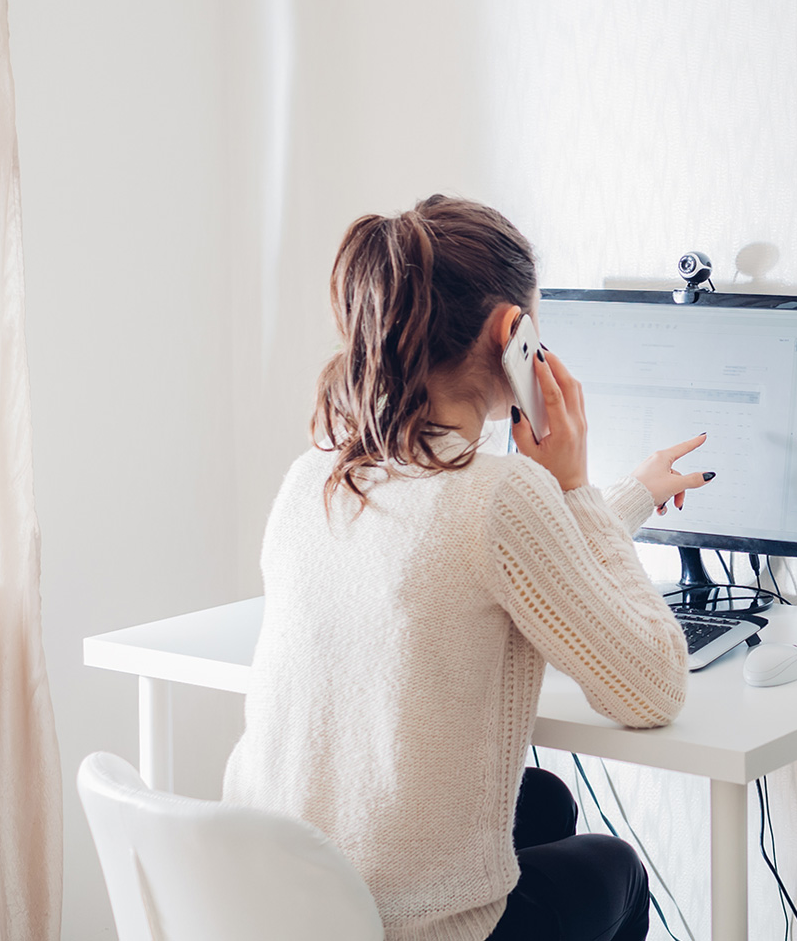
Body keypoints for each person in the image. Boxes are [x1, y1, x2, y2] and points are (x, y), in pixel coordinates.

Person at [223, 195, 706, 941]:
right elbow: (653, 687)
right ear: (514, 332)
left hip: (282, 904)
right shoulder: (503, 494)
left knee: (540, 801)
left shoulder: (315, 476)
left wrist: (633, 495)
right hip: (409, 927)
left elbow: (508, 561)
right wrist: (572, 485)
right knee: (616, 869)